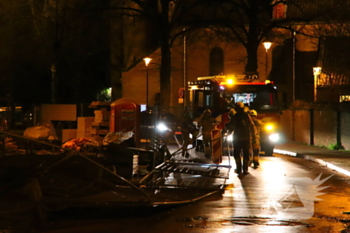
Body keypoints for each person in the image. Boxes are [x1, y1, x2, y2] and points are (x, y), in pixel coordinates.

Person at [225, 102, 256, 175]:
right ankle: (245, 169)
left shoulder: (236, 116)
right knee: (246, 154)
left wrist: (227, 130)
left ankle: (239, 169)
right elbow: (252, 126)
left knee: (237, 154)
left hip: (237, 138)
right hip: (246, 138)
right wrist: (253, 136)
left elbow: (231, 126)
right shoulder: (247, 116)